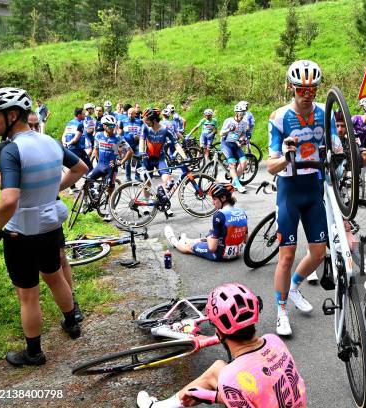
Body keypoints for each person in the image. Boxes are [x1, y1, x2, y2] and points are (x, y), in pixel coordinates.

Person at [0, 87, 88, 367]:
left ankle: (33, 353)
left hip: (20, 232)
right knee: (55, 276)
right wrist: (50, 189)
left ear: (12, 115)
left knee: (28, 295)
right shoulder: (49, 141)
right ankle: (72, 323)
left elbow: (9, 198)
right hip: (49, 226)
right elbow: (80, 167)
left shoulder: (10, 150)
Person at [136, 282, 306, 408]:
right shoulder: (274, 341)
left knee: (225, 375)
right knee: (218, 368)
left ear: (219, 332)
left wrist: (213, 396)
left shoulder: (231, 377)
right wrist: (209, 396)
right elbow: (262, 392)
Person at [268, 60, 327, 336]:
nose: (307, 93)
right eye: (302, 88)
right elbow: (271, 166)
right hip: (289, 189)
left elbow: (338, 148)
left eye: (312, 88)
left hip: (314, 188)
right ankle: (281, 311)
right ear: (292, 87)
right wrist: (285, 153)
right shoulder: (279, 117)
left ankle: (294, 287)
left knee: (319, 253)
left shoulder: (325, 113)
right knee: (287, 254)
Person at [23, 112, 84, 321]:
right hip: (33, 215)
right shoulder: (14, 147)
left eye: (35, 125)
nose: (32, 130)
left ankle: (72, 305)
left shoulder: (49, 143)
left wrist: (53, 189)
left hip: (48, 209)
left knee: (60, 258)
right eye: (28, 126)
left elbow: (80, 168)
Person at [164, 183, 248, 261]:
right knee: (217, 235)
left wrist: (210, 235)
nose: (213, 202)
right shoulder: (242, 212)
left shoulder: (219, 215)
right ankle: (187, 239)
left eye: (215, 199)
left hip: (220, 255)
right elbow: (245, 240)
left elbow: (212, 248)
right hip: (237, 253)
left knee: (189, 247)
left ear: (223, 198)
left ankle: (174, 242)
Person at [139, 107, 187, 217]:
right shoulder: (145, 127)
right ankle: (146, 204)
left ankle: (164, 202)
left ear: (154, 120)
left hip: (160, 158)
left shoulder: (165, 129)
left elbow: (176, 144)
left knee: (168, 180)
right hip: (147, 158)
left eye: (147, 119)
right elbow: (142, 140)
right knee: (147, 182)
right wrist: (142, 152)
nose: (145, 121)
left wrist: (184, 156)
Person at [89, 115, 132, 220]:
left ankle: (110, 210)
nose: (113, 128)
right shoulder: (98, 135)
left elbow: (130, 152)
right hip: (100, 165)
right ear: (104, 126)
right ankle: (86, 201)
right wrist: (98, 162)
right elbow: (96, 149)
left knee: (110, 188)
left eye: (114, 125)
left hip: (111, 167)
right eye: (110, 126)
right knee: (86, 181)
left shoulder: (117, 138)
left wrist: (121, 162)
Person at [220, 103, 249, 193]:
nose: (242, 115)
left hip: (235, 144)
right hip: (226, 144)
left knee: (244, 162)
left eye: (244, 113)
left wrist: (242, 139)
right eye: (241, 113)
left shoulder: (244, 123)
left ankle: (234, 183)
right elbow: (221, 134)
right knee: (232, 164)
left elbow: (243, 133)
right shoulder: (228, 121)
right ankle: (239, 185)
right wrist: (229, 129)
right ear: (236, 113)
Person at [62, 108, 92, 193]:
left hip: (70, 149)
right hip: (77, 149)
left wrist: (65, 143)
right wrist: (70, 143)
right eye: (83, 114)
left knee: (72, 168)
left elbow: (64, 135)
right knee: (89, 167)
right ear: (79, 115)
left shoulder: (69, 123)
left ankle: (72, 188)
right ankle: (90, 186)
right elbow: (76, 139)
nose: (85, 115)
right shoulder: (80, 124)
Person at [120, 107, 145, 182]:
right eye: (129, 114)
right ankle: (128, 178)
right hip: (127, 144)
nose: (130, 115)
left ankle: (137, 177)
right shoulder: (123, 121)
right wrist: (121, 144)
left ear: (135, 114)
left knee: (139, 160)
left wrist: (139, 136)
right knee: (127, 161)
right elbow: (120, 133)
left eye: (132, 114)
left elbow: (143, 132)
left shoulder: (140, 122)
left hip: (137, 144)